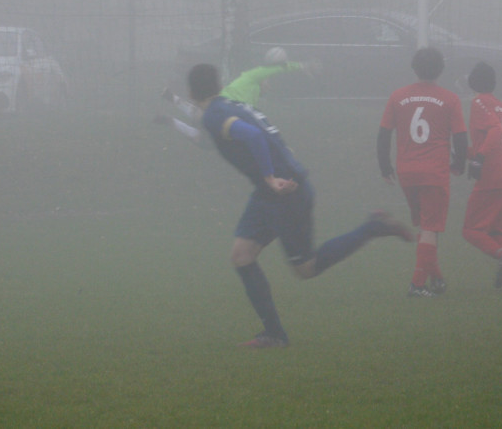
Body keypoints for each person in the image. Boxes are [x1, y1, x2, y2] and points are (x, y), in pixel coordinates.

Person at [187, 62, 414, 348]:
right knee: (242, 255)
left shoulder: (215, 115)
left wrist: (270, 176)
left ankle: (374, 227)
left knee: (306, 268)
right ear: (217, 85)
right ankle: (273, 334)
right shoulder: (232, 104)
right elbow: (267, 136)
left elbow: (254, 136)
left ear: (193, 92)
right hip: (274, 190)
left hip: (284, 191)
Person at [378, 46, 467, 297]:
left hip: (407, 171)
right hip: (434, 172)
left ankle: (437, 278)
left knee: (427, 226)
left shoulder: (398, 96)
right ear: (440, 70)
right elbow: (460, 137)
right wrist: (459, 164)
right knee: (430, 227)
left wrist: (385, 166)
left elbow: (384, 134)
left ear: (414, 68)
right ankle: (417, 284)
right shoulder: (450, 99)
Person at [461, 62, 502, 291]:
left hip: (495, 176)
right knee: (495, 232)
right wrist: (464, 154)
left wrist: (478, 158)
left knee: (471, 230)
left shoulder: (479, 102)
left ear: (472, 82)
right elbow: (495, 140)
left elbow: (495, 132)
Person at [157, 47, 312, 144]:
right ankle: (172, 117)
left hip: (219, 102)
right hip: (223, 107)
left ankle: (172, 106)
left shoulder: (252, 88)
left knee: (202, 123)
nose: (269, 85)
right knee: (206, 139)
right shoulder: (254, 77)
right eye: (268, 81)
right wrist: (301, 65)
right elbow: (277, 69)